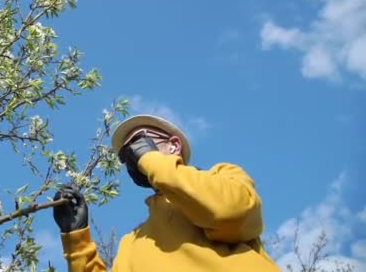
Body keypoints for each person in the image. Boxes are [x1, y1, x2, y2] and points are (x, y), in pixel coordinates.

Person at [52, 114, 281, 271]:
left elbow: (229, 212)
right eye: (126, 155)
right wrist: (77, 239)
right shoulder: (132, 243)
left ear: (174, 146)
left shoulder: (222, 176)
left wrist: (151, 160)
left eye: (140, 143)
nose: (132, 156)